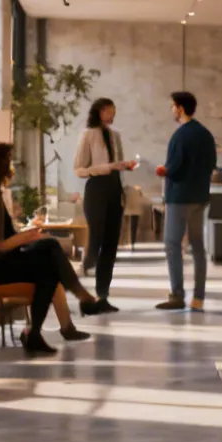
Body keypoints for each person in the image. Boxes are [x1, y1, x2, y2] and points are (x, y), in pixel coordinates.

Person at [0, 142, 108, 355]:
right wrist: (26, 237)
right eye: (7, 161)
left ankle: (46, 327)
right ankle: (76, 303)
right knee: (50, 254)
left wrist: (26, 235)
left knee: (48, 259)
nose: (10, 167)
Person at [155, 90, 217, 311]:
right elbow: (212, 164)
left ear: (180, 108)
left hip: (179, 198)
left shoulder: (180, 135)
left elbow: (174, 167)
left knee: (172, 245)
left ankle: (177, 295)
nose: (172, 110)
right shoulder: (206, 134)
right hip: (199, 198)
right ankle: (198, 298)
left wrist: (163, 170)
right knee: (198, 247)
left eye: (173, 106)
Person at [73, 97, 137, 309]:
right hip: (96, 190)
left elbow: (116, 165)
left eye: (114, 111)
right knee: (96, 240)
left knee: (111, 244)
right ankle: (84, 286)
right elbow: (79, 169)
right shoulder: (88, 135)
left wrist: (125, 166)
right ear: (99, 112)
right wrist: (106, 168)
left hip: (115, 189)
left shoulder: (115, 136)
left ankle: (103, 295)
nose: (112, 115)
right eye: (109, 111)